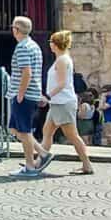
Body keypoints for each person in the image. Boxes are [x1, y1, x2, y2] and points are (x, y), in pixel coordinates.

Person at [34, 31, 93, 176]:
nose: (49, 44)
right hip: (58, 103)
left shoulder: (62, 61)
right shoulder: (62, 59)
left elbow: (61, 84)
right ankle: (37, 163)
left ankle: (87, 165)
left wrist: (47, 96)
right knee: (47, 132)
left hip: (63, 103)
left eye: (51, 41)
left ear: (56, 44)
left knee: (72, 135)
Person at [7, 16, 45, 176]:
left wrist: (20, 94)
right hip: (31, 93)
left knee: (24, 130)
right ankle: (42, 153)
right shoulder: (34, 46)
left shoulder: (22, 47)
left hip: (23, 94)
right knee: (14, 129)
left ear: (16, 29)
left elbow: (27, 72)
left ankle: (31, 165)